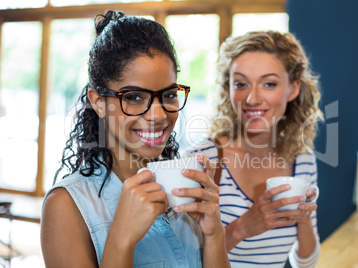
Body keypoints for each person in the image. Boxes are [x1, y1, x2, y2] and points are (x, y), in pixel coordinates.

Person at [41, 10, 229, 268]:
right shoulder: (65, 207)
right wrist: (121, 239)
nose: (158, 114)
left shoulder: (186, 188)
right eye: (133, 97)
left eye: (169, 95)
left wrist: (214, 233)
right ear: (98, 102)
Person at [183, 30, 322, 267]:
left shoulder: (303, 161)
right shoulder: (202, 159)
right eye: (241, 84)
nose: (252, 99)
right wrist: (242, 228)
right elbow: (183, 258)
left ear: (294, 88)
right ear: (228, 89)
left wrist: (304, 217)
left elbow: (305, 262)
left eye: (269, 83)